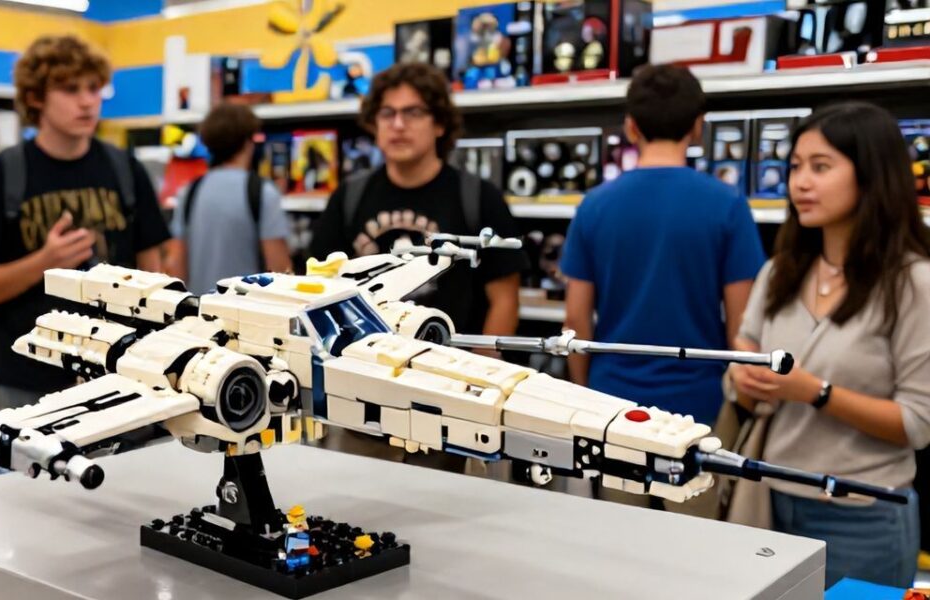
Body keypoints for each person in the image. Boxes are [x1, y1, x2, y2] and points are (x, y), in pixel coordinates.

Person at [730, 101, 930, 588]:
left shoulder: (913, 284)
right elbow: (744, 348)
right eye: (795, 166)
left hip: (863, 518)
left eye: (820, 167)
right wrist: (742, 376)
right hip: (769, 503)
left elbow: (916, 424)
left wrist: (815, 392)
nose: (800, 183)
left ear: (871, 176)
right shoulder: (780, 271)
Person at [0, 35, 170, 410]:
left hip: (122, 374)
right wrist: (45, 262)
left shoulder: (125, 170)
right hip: (29, 379)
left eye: (94, 88)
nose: (87, 101)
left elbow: (152, 270)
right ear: (35, 97)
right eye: (71, 89)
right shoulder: (0, 175)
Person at [560, 64, 766, 428]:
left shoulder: (594, 206)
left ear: (631, 127)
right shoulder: (728, 204)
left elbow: (576, 320)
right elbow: (742, 323)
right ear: (698, 127)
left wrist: (584, 390)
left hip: (611, 401)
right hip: (700, 401)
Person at [308, 62, 525, 337]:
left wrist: (483, 361)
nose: (398, 125)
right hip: (365, 356)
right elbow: (319, 288)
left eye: (413, 112)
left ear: (439, 124)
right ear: (374, 124)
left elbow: (505, 300)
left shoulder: (480, 197)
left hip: (452, 359)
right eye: (387, 113)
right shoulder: (348, 197)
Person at [164, 103, 291, 292]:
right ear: (247, 143)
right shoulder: (263, 192)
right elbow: (279, 270)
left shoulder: (189, 192)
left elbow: (176, 266)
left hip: (200, 306)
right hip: (248, 307)